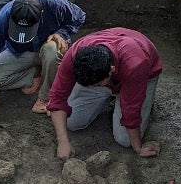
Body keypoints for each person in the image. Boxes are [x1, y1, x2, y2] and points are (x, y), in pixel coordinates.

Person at [47, 27, 162, 160]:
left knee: (125, 140)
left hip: (142, 75)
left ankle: (134, 97)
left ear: (111, 70)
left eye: (98, 84)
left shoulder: (135, 65)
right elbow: (57, 97)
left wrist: (138, 148)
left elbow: (131, 110)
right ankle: (108, 97)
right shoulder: (75, 56)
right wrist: (63, 141)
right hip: (107, 73)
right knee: (70, 122)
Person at [0, 0, 86, 114]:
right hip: (22, 52)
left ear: (41, 15)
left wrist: (61, 34)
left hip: (48, 46)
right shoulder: (3, 18)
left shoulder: (54, 3)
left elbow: (79, 16)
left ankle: (47, 97)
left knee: (51, 51)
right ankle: (36, 74)